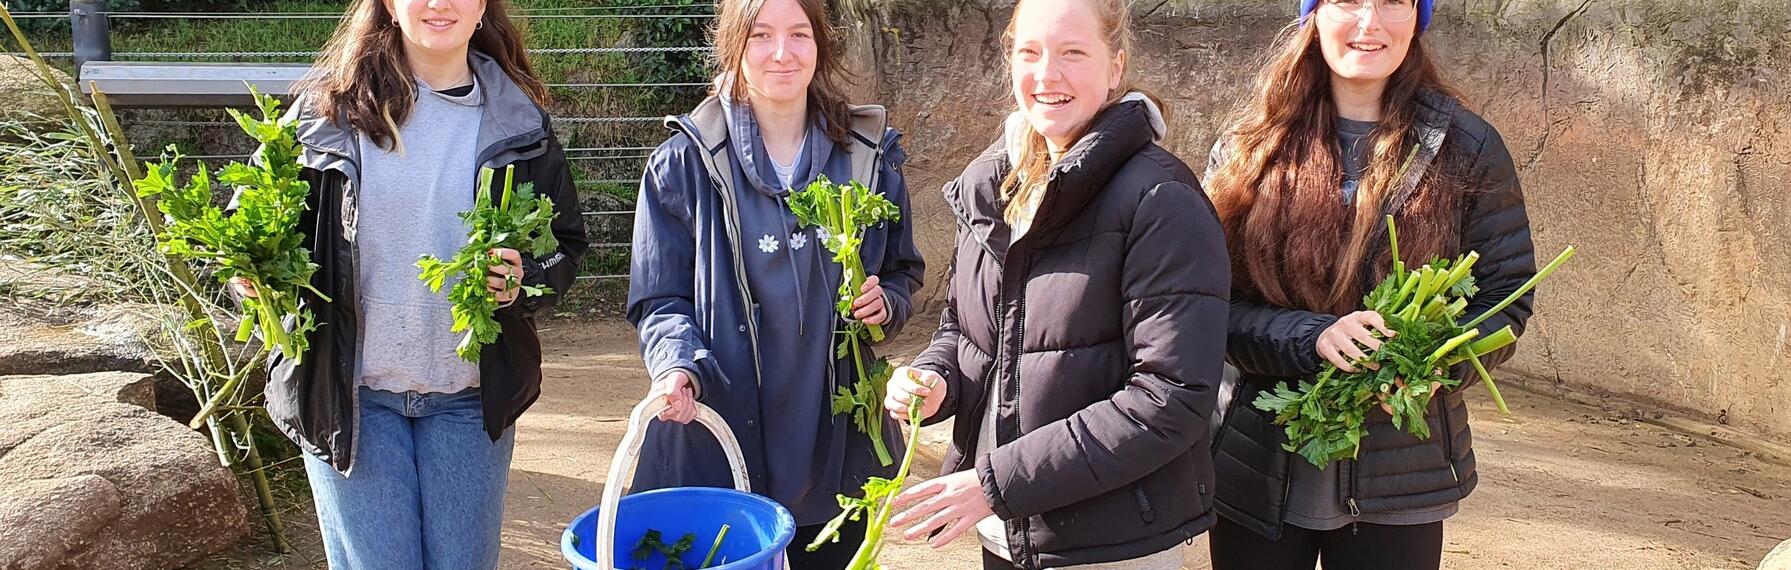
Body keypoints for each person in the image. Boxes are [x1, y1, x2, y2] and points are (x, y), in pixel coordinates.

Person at [879, 0, 1229, 568]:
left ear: (1116, 67)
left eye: (1073, 53)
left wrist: (994, 483)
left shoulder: (1161, 199)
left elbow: (1170, 397)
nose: (1047, 75)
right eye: (1030, 52)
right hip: (1003, 529)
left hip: (1108, 542)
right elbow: (963, 329)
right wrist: (936, 377)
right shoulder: (995, 183)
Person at [239, 0, 587, 567]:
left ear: (482, 7)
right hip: (352, 398)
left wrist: (522, 282)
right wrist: (253, 278)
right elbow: (251, 228)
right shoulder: (323, 115)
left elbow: (564, 246)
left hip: (469, 403)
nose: (439, 3)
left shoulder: (518, 122)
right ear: (388, 6)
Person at [1201, 1, 1538, 568]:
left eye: (1393, 2)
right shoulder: (1250, 147)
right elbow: (1206, 305)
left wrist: (1430, 364)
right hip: (1257, 462)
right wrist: (1311, 337)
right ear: (1314, 14)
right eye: (1347, 0)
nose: (1369, 22)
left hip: (1402, 475)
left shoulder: (1469, 147)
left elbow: (1506, 297)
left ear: (1417, 18)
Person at [624, 0, 924, 567]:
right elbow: (660, 299)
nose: (781, 53)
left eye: (799, 34)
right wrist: (676, 365)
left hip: (834, 440)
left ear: (821, 45)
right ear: (734, 46)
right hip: (715, 429)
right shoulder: (681, 165)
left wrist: (887, 302)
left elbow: (903, 272)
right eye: (760, 35)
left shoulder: (871, 159)